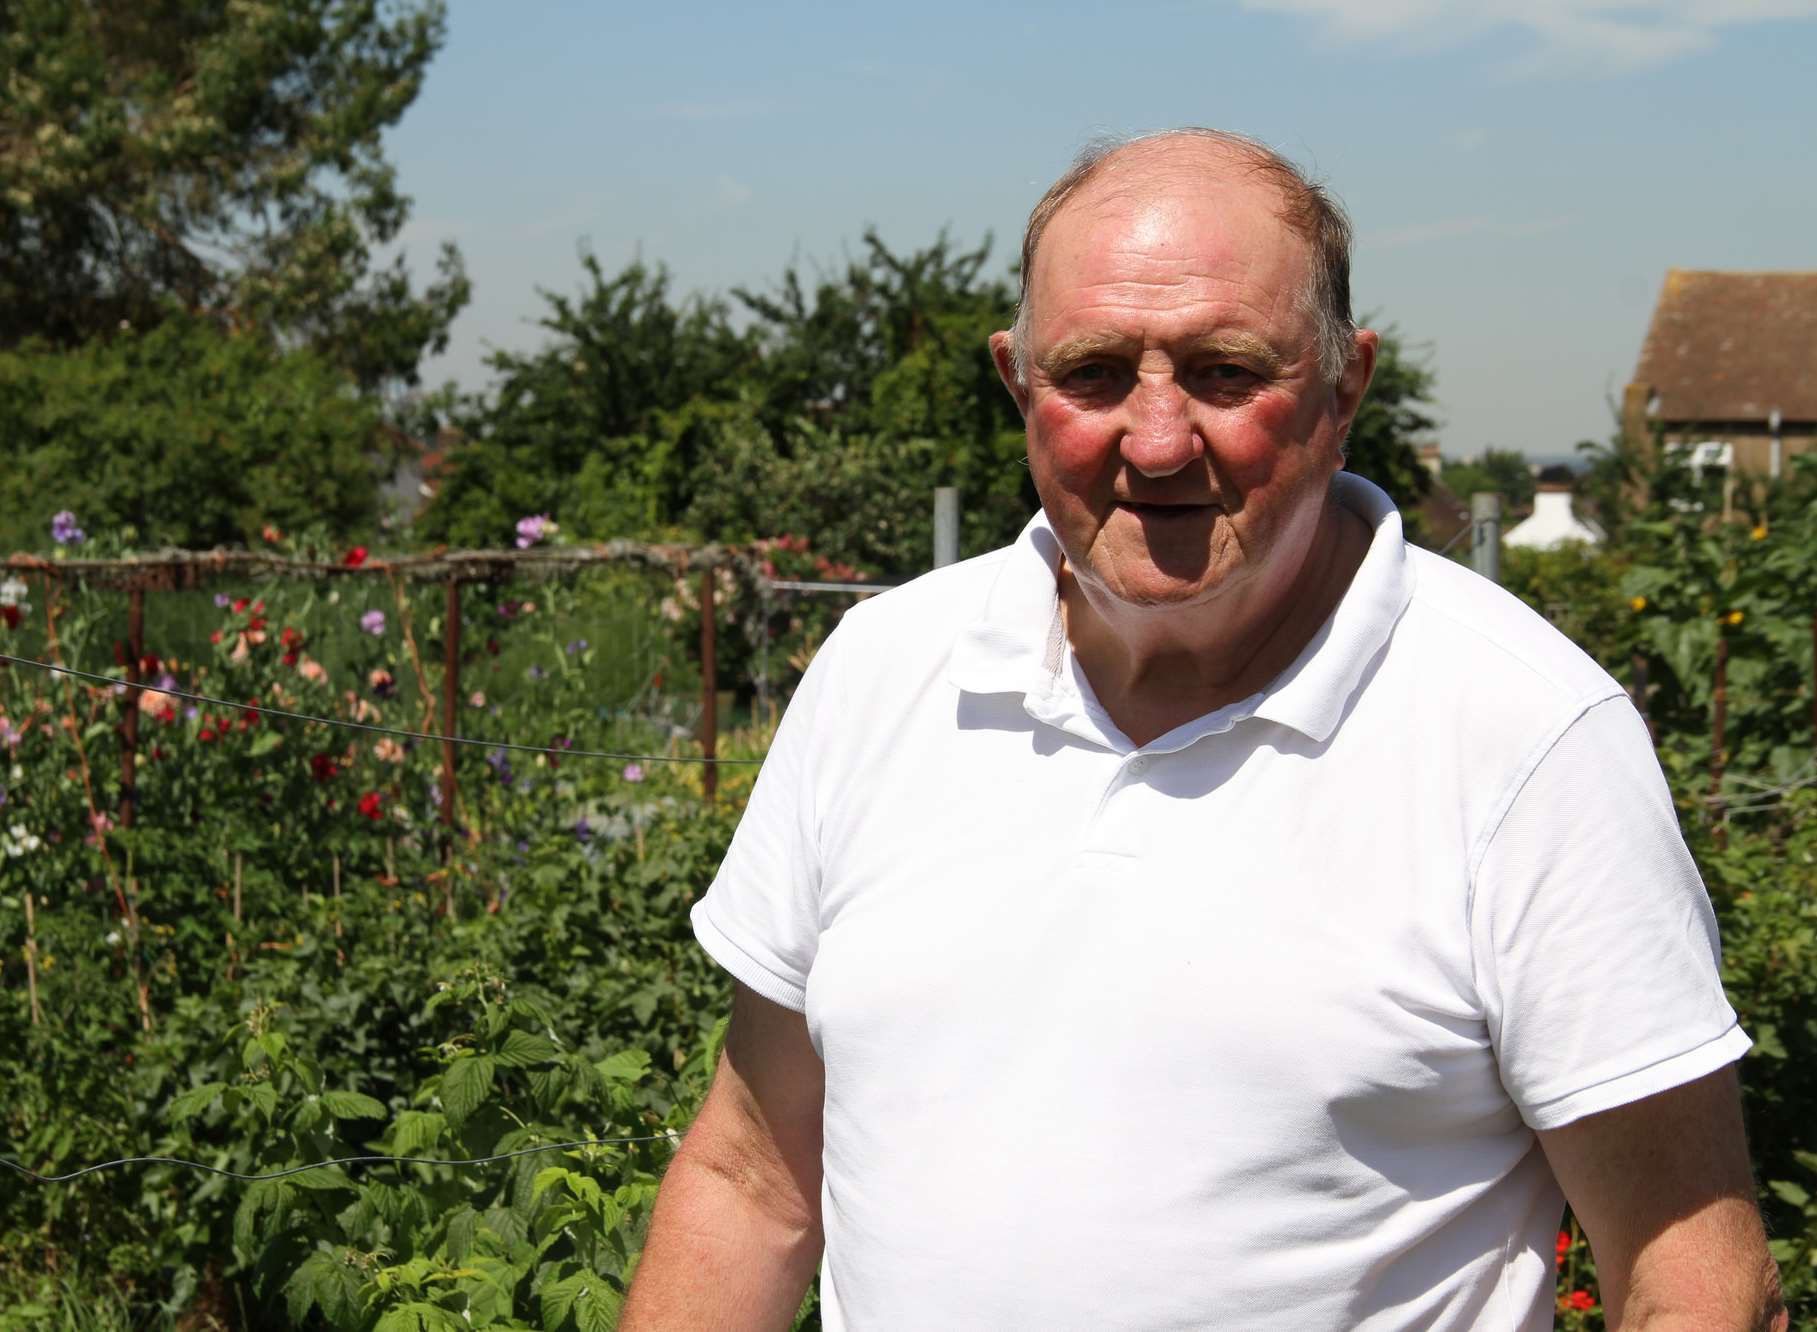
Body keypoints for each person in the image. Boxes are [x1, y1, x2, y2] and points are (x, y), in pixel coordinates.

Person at [621, 129, 1787, 1330]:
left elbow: (1692, 1277)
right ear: (1017, 384)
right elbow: (751, 1184)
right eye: (1091, 373)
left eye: (1226, 372)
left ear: (1345, 390)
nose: (1157, 437)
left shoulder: (1522, 737)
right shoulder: (881, 674)